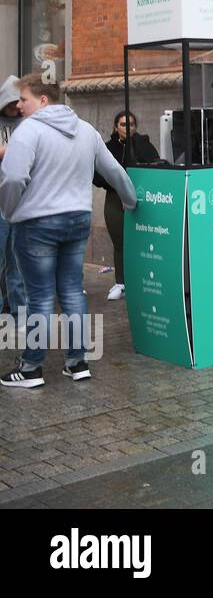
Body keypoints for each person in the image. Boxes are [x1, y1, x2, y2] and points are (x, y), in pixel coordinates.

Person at [0, 75, 137, 387]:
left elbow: (12, 178)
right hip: (77, 220)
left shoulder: (29, 131)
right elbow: (113, 170)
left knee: (40, 296)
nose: (19, 105)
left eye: (24, 99)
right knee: (73, 291)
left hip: (36, 223)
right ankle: (77, 362)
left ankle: (32, 367)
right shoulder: (86, 130)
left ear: (43, 100)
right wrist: (131, 201)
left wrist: (9, 212)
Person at [93, 110, 159, 300]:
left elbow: (155, 167)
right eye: (123, 124)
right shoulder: (108, 147)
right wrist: (119, 190)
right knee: (120, 242)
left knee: (143, 241)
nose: (127, 128)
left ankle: (143, 280)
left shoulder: (143, 144)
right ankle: (121, 283)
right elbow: (98, 174)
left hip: (141, 198)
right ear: (116, 127)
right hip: (115, 199)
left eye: (130, 124)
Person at [0, 76, 25, 319]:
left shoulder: (26, 124)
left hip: (18, 200)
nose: (16, 108)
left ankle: (19, 311)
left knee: (15, 260)